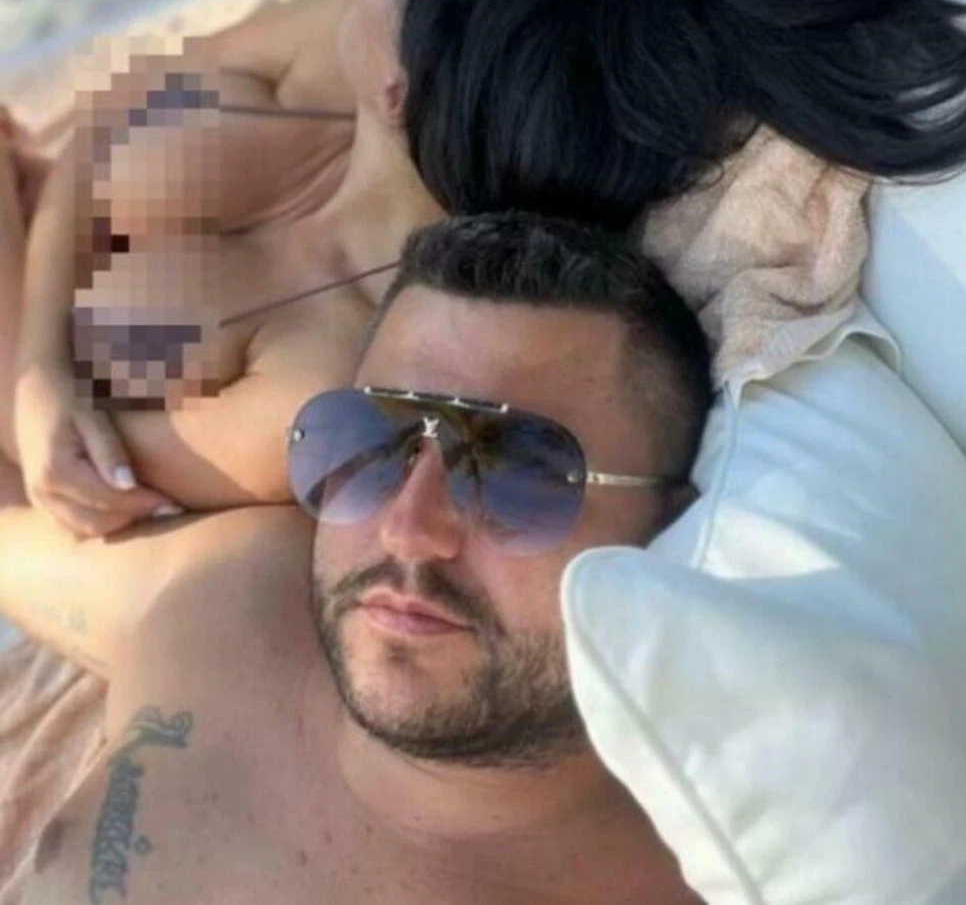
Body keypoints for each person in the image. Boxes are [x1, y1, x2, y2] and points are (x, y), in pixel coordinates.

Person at [5, 0, 966, 545]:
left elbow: (78, 479)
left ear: (399, 91)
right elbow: (104, 121)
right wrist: (46, 367)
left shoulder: (322, 370)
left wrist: (25, 374)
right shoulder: (378, 40)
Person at [2, 214, 712, 903]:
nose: (407, 529)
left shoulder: (716, 871)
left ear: (675, 529)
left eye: (518, 475)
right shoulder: (236, 593)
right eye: (374, 441)